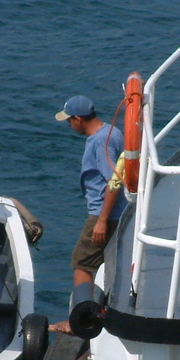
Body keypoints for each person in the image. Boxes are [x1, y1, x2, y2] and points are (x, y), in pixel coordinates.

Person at [57, 94, 126, 288]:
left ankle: (82, 315)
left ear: (78, 119)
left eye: (69, 121)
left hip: (104, 214)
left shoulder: (99, 141)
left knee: (81, 263)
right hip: (118, 212)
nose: (69, 125)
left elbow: (113, 182)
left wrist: (102, 221)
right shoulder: (113, 131)